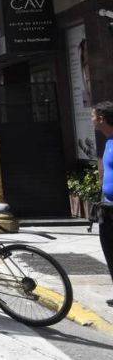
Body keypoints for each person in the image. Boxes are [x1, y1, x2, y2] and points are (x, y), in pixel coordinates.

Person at [91, 101, 113, 308]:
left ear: (101, 119)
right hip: (107, 207)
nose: (92, 120)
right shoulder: (108, 142)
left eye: (93, 116)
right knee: (109, 250)